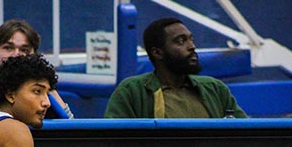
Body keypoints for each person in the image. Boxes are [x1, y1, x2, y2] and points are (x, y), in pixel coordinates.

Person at [104, 17, 247, 119]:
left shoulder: (215, 89)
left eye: (191, 39)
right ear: (157, 53)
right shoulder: (131, 91)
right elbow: (114, 144)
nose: (192, 46)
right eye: (181, 41)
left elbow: (245, 136)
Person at [0, 18, 74, 119]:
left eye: (24, 50)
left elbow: (69, 126)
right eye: (8, 48)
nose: (16, 55)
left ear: (34, 56)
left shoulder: (43, 86)